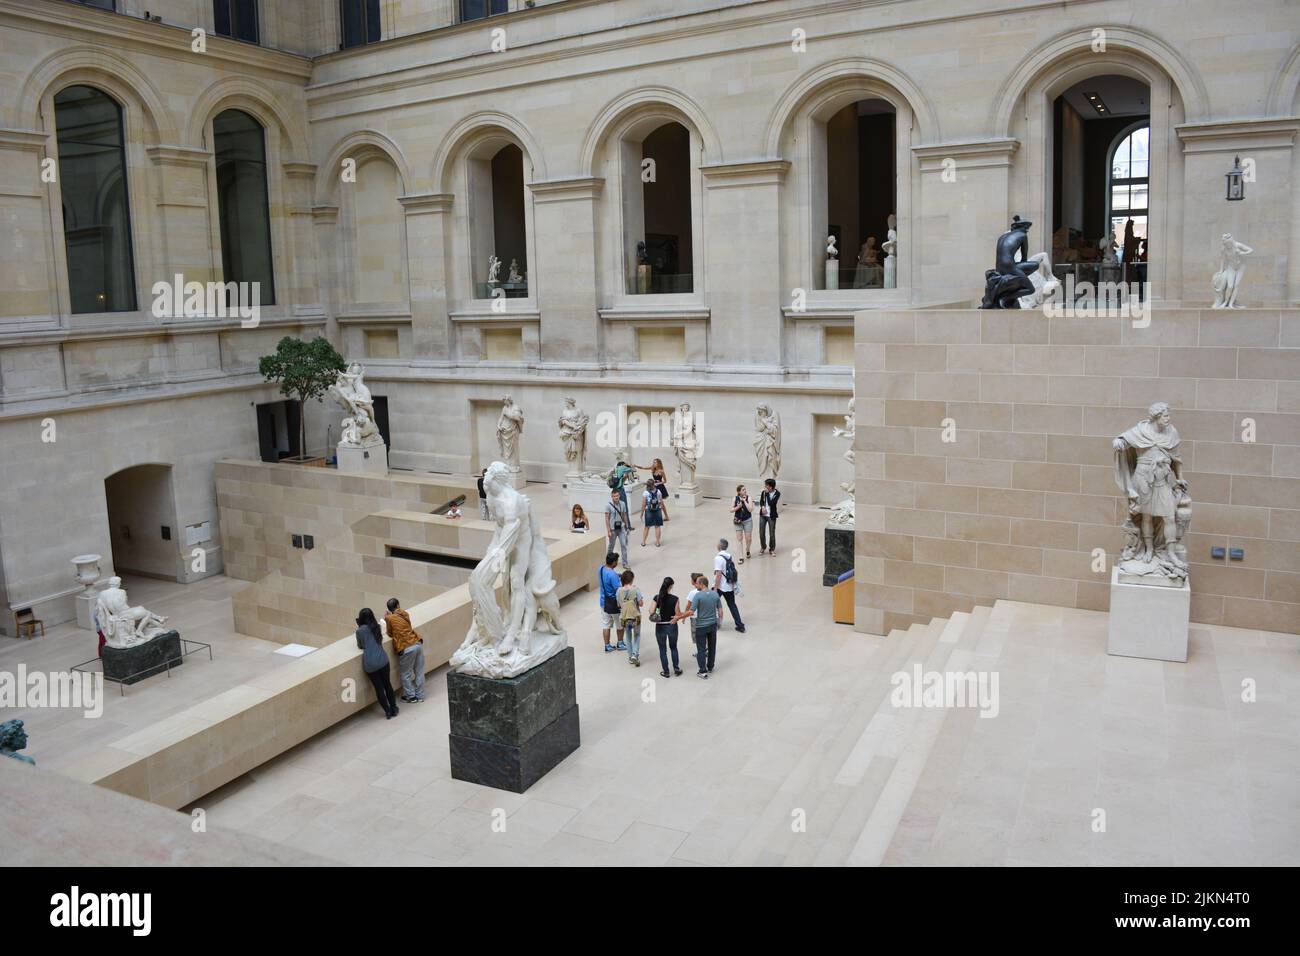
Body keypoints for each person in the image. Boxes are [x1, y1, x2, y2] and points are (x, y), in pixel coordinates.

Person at [355, 607, 398, 718]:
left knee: (379, 688)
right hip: (383, 660)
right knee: (387, 684)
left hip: (370, 663)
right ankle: (394, 708)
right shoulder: (377, 627)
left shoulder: (359, 631)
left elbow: (360, 645)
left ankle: (387, 711)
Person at [384, 598, 425, 703]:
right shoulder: (405, 614)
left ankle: (411, 696)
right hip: (417, 643)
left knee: (405, 674)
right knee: (419, 671)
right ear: (398, 605)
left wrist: (387, 617)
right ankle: (420, 695)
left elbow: (389, 633)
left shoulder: (389, 618)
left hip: (407, 647)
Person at [684, 580, 723, 679]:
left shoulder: (698, 596)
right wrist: (719, 623)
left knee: (701, 649)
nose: (696, 585)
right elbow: (720, 611)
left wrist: (679, 616)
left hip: (701, 626)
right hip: (712, 625)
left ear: (702, 584)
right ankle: (710, 667)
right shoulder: (715, 595)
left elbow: (691, 612)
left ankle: (702, 671)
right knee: (712, 646)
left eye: (697, 583)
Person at [649, 576, 686, 678]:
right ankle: (676, 669)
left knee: (662, 649)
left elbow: (651, 611)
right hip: (671, 626)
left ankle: (666, 671)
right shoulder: (675, 599)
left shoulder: (657, 598)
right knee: (673, 647)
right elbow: (677, 614)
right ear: (671, 586)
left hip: (660, 626)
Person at [713, 538, 746, 633]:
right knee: (732, 605)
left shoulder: (718, 558)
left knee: (712, 604)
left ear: (719, 546)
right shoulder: (728, 556)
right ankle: (740, 625)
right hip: (729, 585)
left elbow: (719, 574)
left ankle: (715, 624)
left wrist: (715, 588)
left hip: (720, 586)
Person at [598, 551, 624, 653]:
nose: (617, 563)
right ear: (613, 562)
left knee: (606, 624)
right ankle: (620, 643)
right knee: (619, 624)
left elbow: (606, 578)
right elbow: (618, 590)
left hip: (603, 602)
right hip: (614, 604)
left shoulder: (601, 569)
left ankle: (607, 645)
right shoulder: (612, 575)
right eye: (616, 561)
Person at [616, 569, 643, 666]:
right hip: (635, 617)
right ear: (631, 579)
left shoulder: (619, 590)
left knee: (628, 636)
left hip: (624, 617)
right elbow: (641, 603)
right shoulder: (636, 589)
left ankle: (630, 656)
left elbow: (618, 605)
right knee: (637, 635)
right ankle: (635, 655)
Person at [605, 487, 632, 569]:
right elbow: (607, 518)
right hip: (613, 529)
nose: (616, 497)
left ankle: (625, 563)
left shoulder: (623, 504)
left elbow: (624, 515)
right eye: (614, 496)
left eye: (617, 496)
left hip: (621, 528)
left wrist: (627, 527)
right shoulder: (608, 505)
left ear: (619, 496)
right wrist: (608, 531)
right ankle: (608, 562)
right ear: (611, 496)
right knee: (611, 546)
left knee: (623, 545)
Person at [640, 478, 668, 547]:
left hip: (648, 510)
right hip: (657, 509)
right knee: (657, 526)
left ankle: (643, 542)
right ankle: (658, 542)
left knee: (647, 527)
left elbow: (643, 504)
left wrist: (642, 513)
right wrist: (661, 507)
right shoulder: (658, 491)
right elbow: (661, 501)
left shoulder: (645, 493)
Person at [730, 485, 754, 562]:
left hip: (747, 520)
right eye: (743, 490)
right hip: (738, 521)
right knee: (739, 539)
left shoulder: (749, 498)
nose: (745, 491)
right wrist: (738, 507)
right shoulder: (735, 498)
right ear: (739, 492)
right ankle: (741, 556)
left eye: (745, 489)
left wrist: (744, 502)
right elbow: (731, 510)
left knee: (748, 539)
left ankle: (748, 549)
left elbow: (750, 510)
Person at [758, 478, 781, 556]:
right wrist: (762, 507)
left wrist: (767, 494)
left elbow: (771, 503)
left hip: (771, 516)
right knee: (761, 533)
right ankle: (763, 547)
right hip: (763, 515)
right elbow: (761, 501)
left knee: (772, 533)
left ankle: (772, 549)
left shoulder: (777, 494)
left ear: (771, 487)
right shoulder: (763, 492)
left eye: (766, 485)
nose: (765, 487)